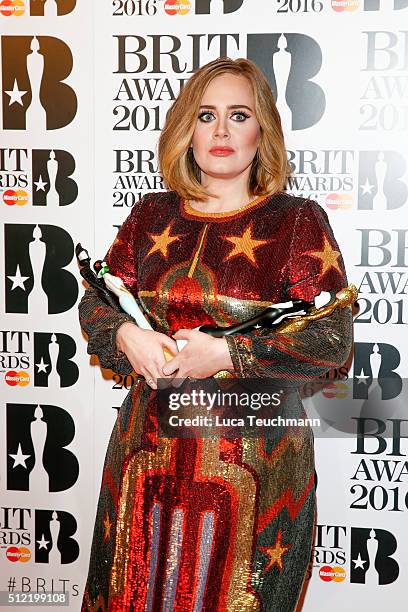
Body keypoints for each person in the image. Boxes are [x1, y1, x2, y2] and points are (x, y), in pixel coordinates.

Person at [79, 57, 353, 611]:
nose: (222, 131)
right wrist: (127, 335)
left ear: (263, 132)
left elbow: (332, 339)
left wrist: (229, 352)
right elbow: (98, 302)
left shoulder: (295, 222)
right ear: (187, 128)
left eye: (239, 115)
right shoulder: (149, 216)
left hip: (256, 467)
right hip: (145, 456)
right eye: (206, 115)